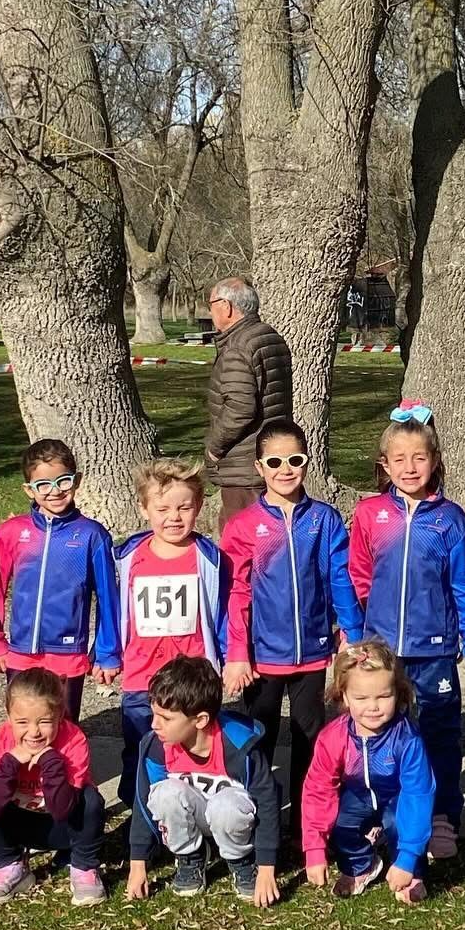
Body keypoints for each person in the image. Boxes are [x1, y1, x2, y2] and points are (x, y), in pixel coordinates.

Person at [348, 403, 465, 859]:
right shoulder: (370, 515)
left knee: (439, 733)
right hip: (382, 650)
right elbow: (360, 574)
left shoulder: (451, 520)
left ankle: (443, 814)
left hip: (435, 649)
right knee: (381, 730)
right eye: (399, 459)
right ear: (385, 465)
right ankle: (386, 814)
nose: (410, 468)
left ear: (435, 461)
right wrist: (363, 632)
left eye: (419, 458)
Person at [221, 418, 363, 834]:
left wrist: (351, 632)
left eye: (295, 459)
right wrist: (237, 653)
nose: (286, 469)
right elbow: (236, 594)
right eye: (275, 461)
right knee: (258, 742)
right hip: (262, 659)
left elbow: (341, 577)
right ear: (260, 467)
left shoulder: (325, 519)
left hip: (313, 653)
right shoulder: (245, 525)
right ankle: (258, 823)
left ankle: (308, 824)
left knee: (309, 739)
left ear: (307, 461)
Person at [113, 458, 228, 806]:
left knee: (190, 744)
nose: (173, 517)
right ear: (144, 508)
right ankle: (138, 811)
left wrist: (228, 657)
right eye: (162, 508)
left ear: (199, 506)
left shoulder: (209, 558)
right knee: (139, 744)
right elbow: (112, 608)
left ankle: (189, 808)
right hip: (140, 672)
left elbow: (221, 612)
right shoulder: (126, 558)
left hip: (191, 675)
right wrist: (106, 653)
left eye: (184, 507)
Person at [0, 438, 121, 722]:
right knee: (24, 728)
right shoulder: (11, 532)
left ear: (77, 480)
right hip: (20, 654)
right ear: (28, 490)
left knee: (63, 729)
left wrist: (107, 651)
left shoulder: (91, 535)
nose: (55, 491)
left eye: (63, 481)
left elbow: (109, 598)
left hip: (68, 655)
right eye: (43, 484)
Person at [126, 655, 281, 906]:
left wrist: (266, 868)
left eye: (165, 718)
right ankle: (191, 856)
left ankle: (241, 861)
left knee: (225, 806)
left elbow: (267, 802)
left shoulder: (240, 747)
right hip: (194, 816)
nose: (154, 724)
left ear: (200, 720)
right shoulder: (156, 747)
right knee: (164, 794)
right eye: (154, 713)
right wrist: (137, 864)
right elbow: (142, 803)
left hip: (233, 820)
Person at [302, 640, 435, 902]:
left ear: (398, 693)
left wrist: (408, 860)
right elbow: (318, 790)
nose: (373, 706)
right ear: (343, 696)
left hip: (398, 797)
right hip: (358, 795)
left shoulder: (407, 739)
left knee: (399, 823)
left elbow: (418, 795)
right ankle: (361, 865)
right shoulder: (333, 737)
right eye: (361, 698)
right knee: (340, 822)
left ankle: (411, 870)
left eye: (384, 696)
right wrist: (314, 848)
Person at [0, 668, 107, 906]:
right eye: (22, 722)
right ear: (9, 717)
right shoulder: (1, 740)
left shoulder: (74, 739)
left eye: (44, 722)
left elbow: (63, 810)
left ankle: (83, 866)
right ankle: (11, 865)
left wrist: (50, 760)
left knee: (91, 800)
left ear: (60, 715)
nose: (34, 732)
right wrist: (9, 763)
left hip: (63, 827)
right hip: (21, 827)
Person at [204, 276, 293, 528]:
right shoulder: (270, 336)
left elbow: (240, 408)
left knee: (242, 543)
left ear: (227, 306)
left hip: (243, 466)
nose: (209, 311)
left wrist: (215, 447)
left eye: (211, 304)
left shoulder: (237, 347)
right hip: (272, 456)